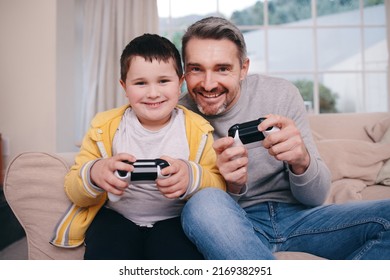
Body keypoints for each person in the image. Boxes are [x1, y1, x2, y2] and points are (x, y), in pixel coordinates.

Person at [179, 16, 390, 260]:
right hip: (234, 223)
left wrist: (301, 161)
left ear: (243, 69)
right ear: (185, 72)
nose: (208, 84)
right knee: (203, 202)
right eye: (196, 69)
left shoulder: (280, 94)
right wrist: (230, 185)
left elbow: (316, 197)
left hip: (300, 217)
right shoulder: (177, 115)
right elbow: (189, 210)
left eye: (222, 68)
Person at [51, 33, 225, 260]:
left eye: (163, 81)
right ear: (124, 86)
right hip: (116, 218)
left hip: (175, 220)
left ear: (180, 83)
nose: (153, 93)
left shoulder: (198, 130)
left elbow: (218, 186)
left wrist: (191, 176)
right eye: (140, 83)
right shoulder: (105, 126)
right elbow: (74, 189)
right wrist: (94, 173)